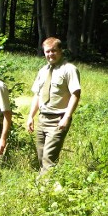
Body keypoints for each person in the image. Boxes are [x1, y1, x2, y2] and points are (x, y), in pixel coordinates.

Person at [26, 37, 81, 174]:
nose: (50, 54)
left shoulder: (69, 69)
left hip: (58, 119)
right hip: (42, 118)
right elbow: (37, 95)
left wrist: (66, 117)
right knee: (40, 156)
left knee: (48, 158)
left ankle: (47, 189)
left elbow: (76, 94)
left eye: (54, 51)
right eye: (47, 51)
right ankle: (47, 183)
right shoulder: (43, 71)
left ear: (60, 51)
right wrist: (30, 116)